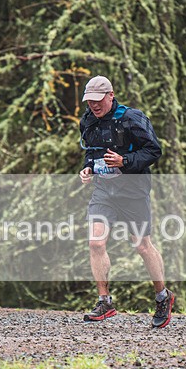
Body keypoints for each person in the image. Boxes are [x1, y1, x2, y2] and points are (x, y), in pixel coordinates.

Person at [78, 75, 175, 328]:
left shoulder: (132, 118)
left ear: (110, 95)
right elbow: (92, 153)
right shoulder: (87, 121)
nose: (94, 106)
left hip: (133, 190)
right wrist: (87, 169)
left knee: (142, 246)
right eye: (90, 102)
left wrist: (125, 162)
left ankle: (163, 296)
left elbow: (154, 150)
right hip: (103, 192)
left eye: (98, 101)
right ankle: (104, 301)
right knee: (96, 242)